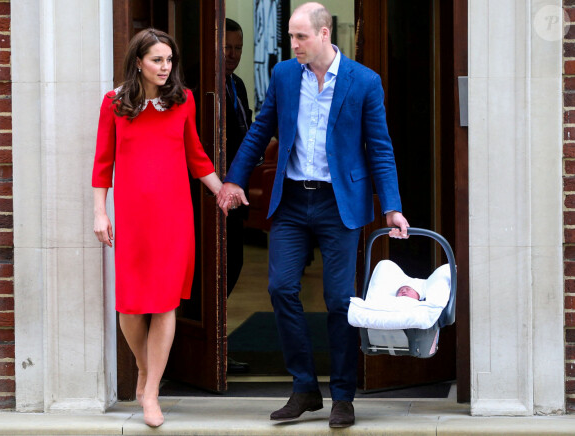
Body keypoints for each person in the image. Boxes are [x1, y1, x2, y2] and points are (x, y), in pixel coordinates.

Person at [217, 2, 409, 429]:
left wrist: (391, 206)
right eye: (290, 36)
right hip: (290, 201)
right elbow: (259, 130)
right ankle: (304, 388)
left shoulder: (364, 82)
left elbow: (380, 147)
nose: (293, 44)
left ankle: (343, 395)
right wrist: (234, 180)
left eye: (300, 36)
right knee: (281, 287)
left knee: (340, 300)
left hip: (339, 204)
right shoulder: (286, 76)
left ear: (324, 35)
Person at [92, 28, 225, 428]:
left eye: (169, 60)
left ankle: (150, 394)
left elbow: (196, 155)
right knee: (131, 305)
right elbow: (102, 164)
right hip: (132, 216)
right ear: (138, 62)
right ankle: (144, 367)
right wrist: (100, 213)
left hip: (174, 215)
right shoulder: (114, 103)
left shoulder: (182, 100)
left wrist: (222, 191)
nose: (166, 67)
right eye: (157, 60)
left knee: (166, 302)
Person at [224, 19, 254, 374]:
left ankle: (218, 347)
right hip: (210, 192)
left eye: (237, 48)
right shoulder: (200, 86)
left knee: (235, 264)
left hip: (239, 191)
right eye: (226, 47)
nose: (232, 55)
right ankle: (209, 351)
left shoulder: (238, 85)